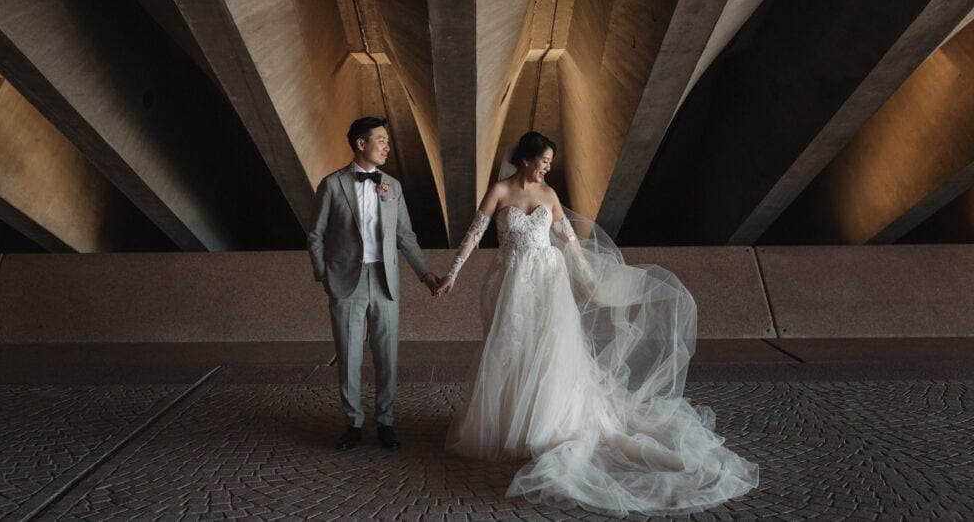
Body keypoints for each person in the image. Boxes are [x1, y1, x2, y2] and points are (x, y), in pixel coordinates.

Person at [434, 131, 758, 516]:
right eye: (544, 161)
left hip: (548, 285)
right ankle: (510, 426)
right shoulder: (499, 192)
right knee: (510, 350)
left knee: (550, 351)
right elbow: (474, 234)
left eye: (550, 162)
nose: (547, 168)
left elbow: (570, 243)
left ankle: (548, 424)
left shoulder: (550, 197)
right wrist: (453, 272)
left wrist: (590, 281)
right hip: (511, 283)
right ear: (525, 159)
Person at [308, 117, 442, 451]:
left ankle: (386, 421)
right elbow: (316, 235)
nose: (386, 146)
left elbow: (405, 235)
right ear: (360, 144)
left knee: (387, 355)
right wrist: (324, 275)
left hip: (386, 281)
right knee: (349, 355)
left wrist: (424, 274)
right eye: (380, 140)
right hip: (345, 282)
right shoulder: (332, 184)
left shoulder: (392, 186)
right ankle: (352, 423)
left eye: (386, 141)